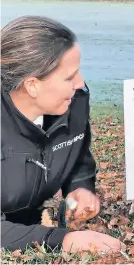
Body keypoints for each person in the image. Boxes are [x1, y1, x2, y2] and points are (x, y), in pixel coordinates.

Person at [1, 16, 124, 252]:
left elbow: (78, 156)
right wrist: (62, 240)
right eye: (69, 77)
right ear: (32, 85)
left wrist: (80, 188)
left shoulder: (73, 103)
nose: (80, 83)